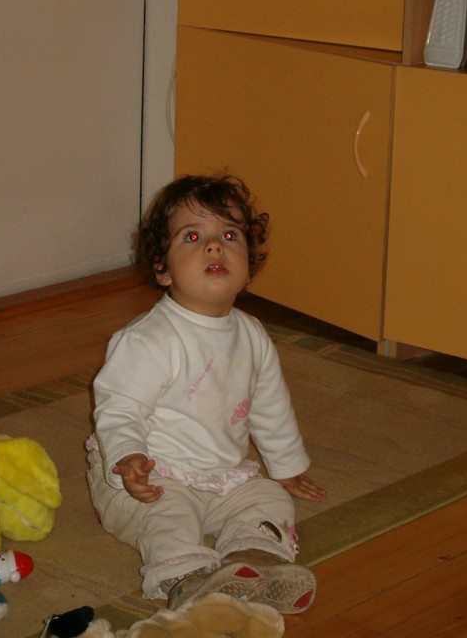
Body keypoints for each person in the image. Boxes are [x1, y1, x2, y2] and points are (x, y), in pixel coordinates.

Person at [86, 174, 326, 613]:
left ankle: (253, 559)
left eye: (229, 235)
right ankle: (185, 577)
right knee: (169, 516)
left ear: (249, 264)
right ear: (162, 268)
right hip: (149, 478)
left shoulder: (251, 334)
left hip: (222, 477)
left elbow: (270, 406)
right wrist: (128, 456)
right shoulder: (148, 340)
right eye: (192, 237)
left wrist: (287, 467)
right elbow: (119, 408)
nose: (214, 246)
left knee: (270, 497)